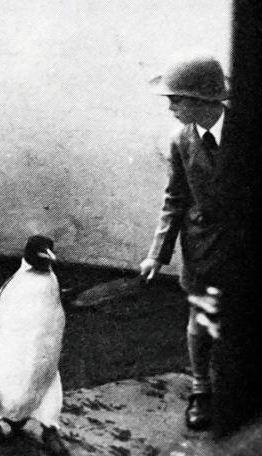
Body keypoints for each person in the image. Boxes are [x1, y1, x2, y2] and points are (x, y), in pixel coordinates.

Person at [139, 53, 230, 431]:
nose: (171, 106)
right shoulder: (180, 140)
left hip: (244, 245)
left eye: (176, 99)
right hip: (202, 246)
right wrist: (156, 255)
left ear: (202, 100)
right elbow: (175, 199)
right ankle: (201, 389)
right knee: (200, 320)